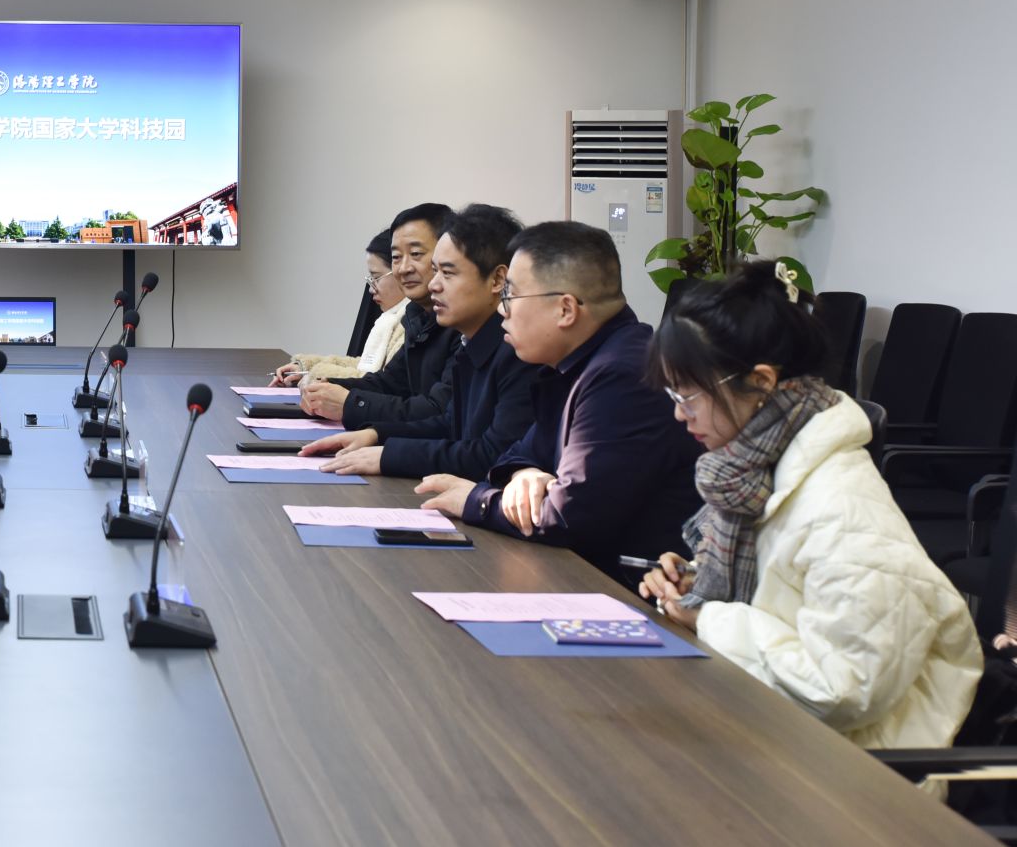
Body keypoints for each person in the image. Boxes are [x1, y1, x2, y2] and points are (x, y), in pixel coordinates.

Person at [636, 261, 980, 749]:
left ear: (760, 382)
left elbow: (845, 689)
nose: (678, 413)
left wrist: (708, 618)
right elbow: (781, 593)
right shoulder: (755, 471)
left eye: (688, 395)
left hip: (852, 768)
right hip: (769, 727)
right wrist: (695, 581)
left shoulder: (843, 511)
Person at [414, 220, 701, 579]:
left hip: (628, 592)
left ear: (565, 309)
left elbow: (570, 516)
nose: (502, 310)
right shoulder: (577, 362)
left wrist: (476, 501)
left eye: (511, 296)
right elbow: (513, 455)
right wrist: (526, 473)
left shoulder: (623, 375)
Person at [300, 205, 537, 479]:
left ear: (497, 279)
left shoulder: (519, 351)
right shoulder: (469, 342)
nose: (434, 284)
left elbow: (494, 456)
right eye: (435, 271)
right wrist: (376, 434)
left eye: (447, 273)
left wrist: (389, 454)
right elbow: (448, 424)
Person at [292, 204, 458, 428]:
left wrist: (351, 403)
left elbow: (440, 412)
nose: (404, 268)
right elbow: (391, 383)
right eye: (396, 257)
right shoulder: (417, 314)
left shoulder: (462, 324)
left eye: (416, 254)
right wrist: (328, 387)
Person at [275, 230, 407, 383]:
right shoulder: (391, 318)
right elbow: (366, 367)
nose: (371, 289)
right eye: (370, 279)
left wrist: (315, 374)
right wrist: (306, 367)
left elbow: (380, 382)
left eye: (376, 278)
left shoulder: (411, 323)